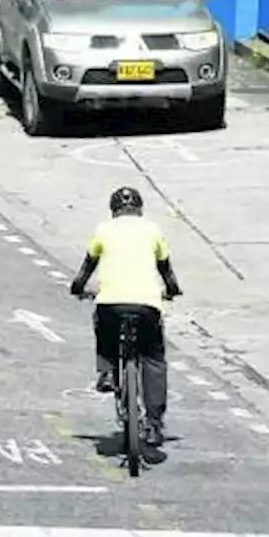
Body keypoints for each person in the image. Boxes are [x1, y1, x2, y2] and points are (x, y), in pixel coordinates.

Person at [70, 186, 183, 447]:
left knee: (103, 325)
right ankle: (154, 425)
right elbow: (165, 268)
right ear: (140, 209)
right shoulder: (152, 229)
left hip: (111, 304)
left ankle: (108, 371)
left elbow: (87, 266)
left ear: (113, 211)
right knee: (153, 359)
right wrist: (172, 290)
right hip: (147, 306)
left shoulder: (103, 230)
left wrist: (77, 288)